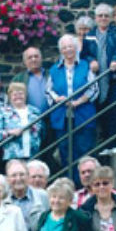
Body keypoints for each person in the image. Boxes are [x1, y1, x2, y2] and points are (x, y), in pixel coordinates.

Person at [46, 34, 99, 183]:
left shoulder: (84, 65)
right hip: (61, 115)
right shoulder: (54, 69)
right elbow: (48, 90)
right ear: (60, 50)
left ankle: (86, 184)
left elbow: (93, 88)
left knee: (84, 149)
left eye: (70, 46)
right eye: (64, 47)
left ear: (76, 48)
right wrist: (57, 99)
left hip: (83, 113)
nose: (68, 50)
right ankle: (71, 183)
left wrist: (78, 102)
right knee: (65, 150)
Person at [83, 4, 116, 146]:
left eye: (106, 16)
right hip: (98, 80)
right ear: (95, 18)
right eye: (100, 16)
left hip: (115, 78)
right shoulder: (89, 36)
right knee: (101, 109)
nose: (103, 18)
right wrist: (91, 61)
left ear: (110, 18)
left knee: (115, 110)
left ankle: (114, 144)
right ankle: (104, 144)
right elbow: (84, 54)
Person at [0, 82, 44, 161]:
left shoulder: (35, 111)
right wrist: (9, 132)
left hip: (33, 153)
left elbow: (42, 132)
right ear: (10, 97)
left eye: (21, 93)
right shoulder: (4, 112)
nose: (18, 97)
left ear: (26, 95)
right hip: (13, 155)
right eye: (14, 94)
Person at [6, 159, 50, 231]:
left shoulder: (43, 196)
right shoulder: (2, 199)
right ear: (8, 179)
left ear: (27, 176)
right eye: (14, 175)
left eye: (22, 174)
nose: (18, 179)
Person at [11, 47, 49, 115]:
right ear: (25, 61)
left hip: (51, 118)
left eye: (36, 56)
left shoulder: (50, 75)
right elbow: (12, 100)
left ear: (41, 58)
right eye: (30, 57)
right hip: (30, 119)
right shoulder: (19, 79)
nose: (33, 59)